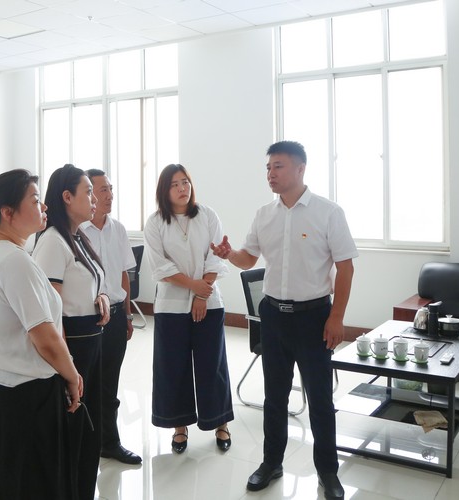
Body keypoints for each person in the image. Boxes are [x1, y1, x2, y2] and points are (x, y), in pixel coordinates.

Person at [211, 141, 357, 500]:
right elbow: (249, 259)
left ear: (300, 169)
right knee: (275, 397)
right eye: (268, 168)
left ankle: (328, 472)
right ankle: (271, 462)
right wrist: (230, 255)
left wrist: (337, 316)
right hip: (274, 315)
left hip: (315, 317)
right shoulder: (265, 214)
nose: (270, 174)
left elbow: (346, 266)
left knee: (321, 400)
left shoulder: (328, 212)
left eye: (277, 167)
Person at [0, 169, 83, 499]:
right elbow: (45, 337)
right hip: (24, 398)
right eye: (35, 200)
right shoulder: (13, 260)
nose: (44, 206)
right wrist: (73, 376)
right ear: (7, 213)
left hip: (1, 393)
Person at [144, 164, 234, 455]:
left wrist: (201, 293)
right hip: (170, 305)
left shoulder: (207, 215)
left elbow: (216, 257)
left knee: (212, 365)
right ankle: (179, 426)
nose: (183, 188)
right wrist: (194, 287)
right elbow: (161, 266)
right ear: (164, 191)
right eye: (175, 184)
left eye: (186, 182)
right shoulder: (156, 222)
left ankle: (219, 422)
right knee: (173, 367)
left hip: (209, 301)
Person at [33, 164, 110, 500]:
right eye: (88, 192)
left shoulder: (77, 237)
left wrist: (103, 295)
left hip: (91, 341)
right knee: (71, 433)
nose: (94, 198)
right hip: (72, 346)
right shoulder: (52, 242)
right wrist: (67, 368)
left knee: (88, 434)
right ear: (67, 197)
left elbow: (92, 280)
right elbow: (51, 312)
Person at [80, 169, 141, 465]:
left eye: (111, 189)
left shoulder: (117, 228)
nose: (109, 195)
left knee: (110, 384)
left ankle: (109, 442)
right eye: (102, 189)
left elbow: (123, 276)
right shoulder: (76, 231)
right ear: (89, 194)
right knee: (87, 382)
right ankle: (84, 442)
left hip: (116, 316)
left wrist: (128, 315)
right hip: (88, 318)